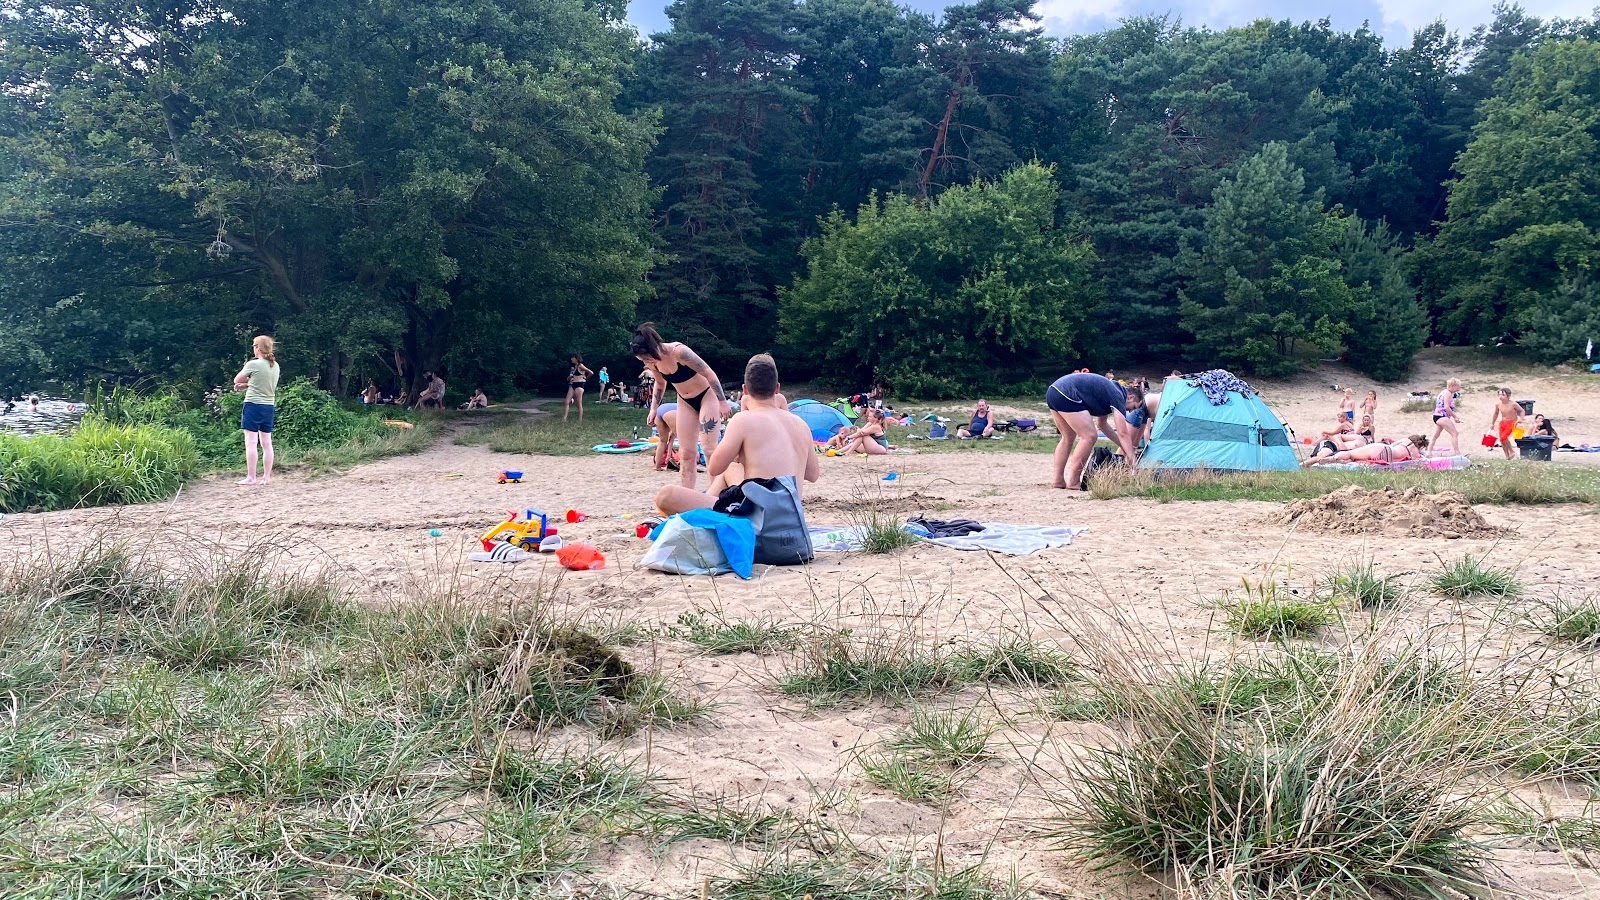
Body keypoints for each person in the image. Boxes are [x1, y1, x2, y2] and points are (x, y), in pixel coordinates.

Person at [654, 354, 819, 516]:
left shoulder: (742, 420)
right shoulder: (801, 424)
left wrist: (739, 454)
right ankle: (713, 504)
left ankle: (712, 511)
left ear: (745, 390)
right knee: (731, 469)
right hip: (792, 517)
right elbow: (812, 475)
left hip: (759, 520)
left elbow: (714, 467)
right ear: (777, 389)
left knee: (665, 496)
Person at [631, 324, 727, 490]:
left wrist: (722, 401)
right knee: (686, 452)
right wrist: (654, 408)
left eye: (647, 358)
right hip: (684, 400)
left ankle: (716, 494)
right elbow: (660, 383)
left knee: (709, 449)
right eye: (643, 361)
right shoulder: (653, 363)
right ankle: (687, 494)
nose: (646, 363)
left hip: (706, 395)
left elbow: (709, 373)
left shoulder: (678, 352)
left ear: (654, 349)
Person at [1045, 372, 1139, 490]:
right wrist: (1132, 458)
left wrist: (1125, 447)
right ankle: (1074, 482)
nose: (1130, 411)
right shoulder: (1119, 395)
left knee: (1068, 437)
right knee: (1089, 436)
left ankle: (1058, 481)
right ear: (1131, 397)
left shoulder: (1109, 391)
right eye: (1134, 407)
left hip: (1053, 391)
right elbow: (1123, 432)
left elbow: (1102, 425)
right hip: (1067, 392)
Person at [231, 335, 280, 486]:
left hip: (253, 405)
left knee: (251, 443)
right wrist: (247, 385)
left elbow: (236, 379)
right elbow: (263, 384)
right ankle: (266, 477)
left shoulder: (253, 365)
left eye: (254, 346)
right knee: (267, 443)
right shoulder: (275, 366)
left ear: (258, 348)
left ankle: (251, 477)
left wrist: (243, 384)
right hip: (268, 407)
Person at [1304, 434, 1429, 466]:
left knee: (1350, 454)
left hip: (1383, 449)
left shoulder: (1407, 441)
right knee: (1356, 459)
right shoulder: (1417, 454)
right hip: (1389, 458)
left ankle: (1329, 459)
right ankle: (1338, 461)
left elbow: (1391, 445)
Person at [1487, 388, 1523, 460]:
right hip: (1503, 422)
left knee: (1504, 437)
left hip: (1512, 422)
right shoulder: (1498, 405)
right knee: (1502, 440)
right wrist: (1492, 423)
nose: (1501, 396)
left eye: (1503, 395)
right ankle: (1507, 456)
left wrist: (1520, 419)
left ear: (1508, 396)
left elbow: (1522, 411)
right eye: (1499, 394)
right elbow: (1496, 414)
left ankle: (1512, 451)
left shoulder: (1513, 404)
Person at [1430, 378, 1462, 456]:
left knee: (1436, 435)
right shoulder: (1447, 393)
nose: (1458, 389)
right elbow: (1446, 407)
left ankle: (1429, 451)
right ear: (1453, 386)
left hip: (1437, 415)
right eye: (1457, 387)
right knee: (1454, 433)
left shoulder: (1443, 392)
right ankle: (1457, 453)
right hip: (1442, 416)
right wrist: (1455, 416)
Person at [563, 354, 593, 423]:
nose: (571, 359)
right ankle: (564, 419)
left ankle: (580, 420)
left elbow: (591, 372)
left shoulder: (580, 365)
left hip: (580, 384)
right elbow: (571, 376)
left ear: (576, 358)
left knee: (578, 403)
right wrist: (571, 377)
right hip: (573, 384)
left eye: (572, 358)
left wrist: (586, 378)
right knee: (567, 401)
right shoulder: (574, 367)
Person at [653, 402, 679, 470]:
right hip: (673, 412)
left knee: (662, 441)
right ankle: (684, 466)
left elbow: (671, 437)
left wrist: (668, 455)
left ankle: (657, 466)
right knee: (683, 442)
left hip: (661, 409)